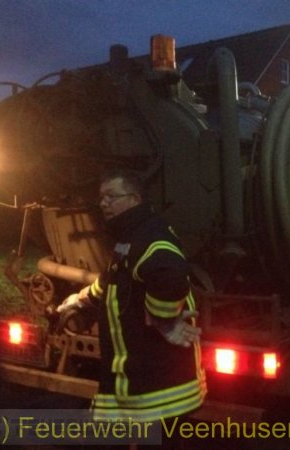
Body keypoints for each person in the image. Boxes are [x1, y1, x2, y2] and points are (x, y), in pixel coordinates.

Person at [58, 169, 206, 427]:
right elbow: (114, 280)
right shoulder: (131, 235)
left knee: (158, 440)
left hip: (159, 386)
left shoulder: (150, 236)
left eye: (112, 196)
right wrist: (81, 298)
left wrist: (162, 317)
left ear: (134, 199)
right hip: (145, 381)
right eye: (102, 198)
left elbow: (170, 273)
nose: (104, 203)